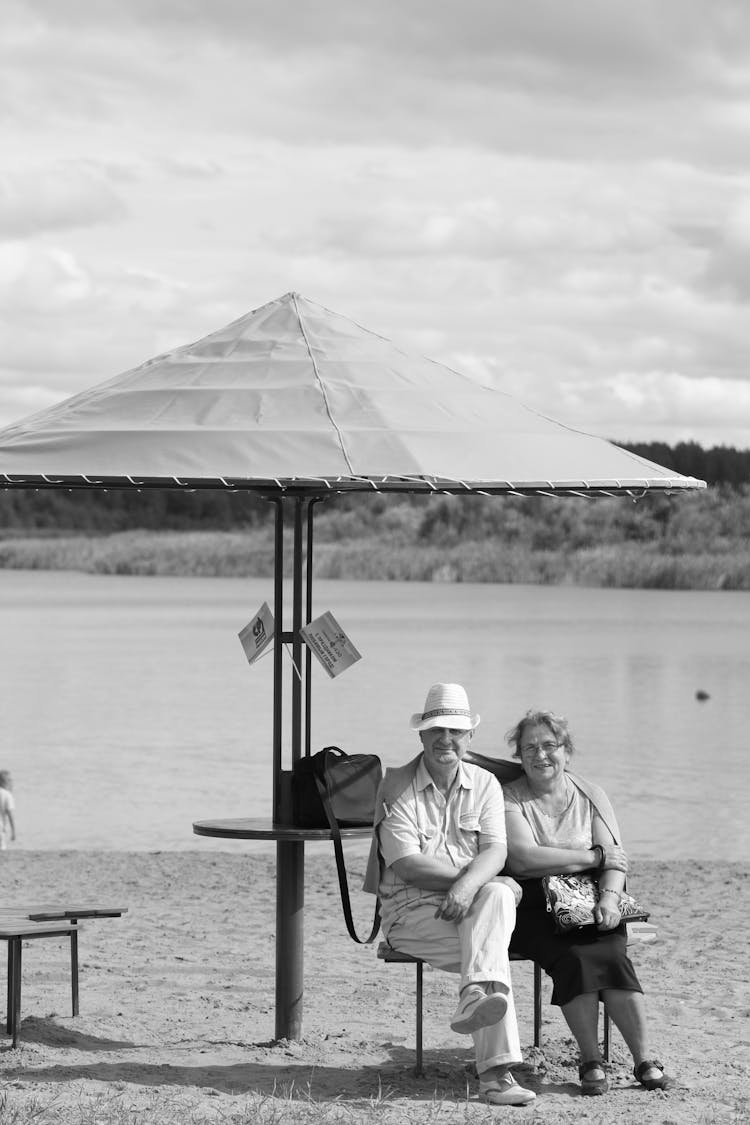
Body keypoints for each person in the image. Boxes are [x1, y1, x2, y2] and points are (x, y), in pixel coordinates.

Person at [364, 683, 536, 1107]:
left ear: (470, 738)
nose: (447, 739)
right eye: (438, 729)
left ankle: (473, 1001)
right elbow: (407, 864)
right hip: (411, 914)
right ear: (421, 735)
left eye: (456, 731)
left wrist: (468, 886)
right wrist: (471, 880)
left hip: (472, 908)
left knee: (493, 903)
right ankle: (496, 1077)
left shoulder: (486, 783)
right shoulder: (395, 786)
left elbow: (496, 849)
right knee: (492, 926)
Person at [502, 709, 673, 1095]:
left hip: (591, 900)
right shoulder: (509, 797)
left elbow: (617, 858)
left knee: (612, 954)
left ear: (567, 751)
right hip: (534, 905)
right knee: (576, 958)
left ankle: (643, 1059)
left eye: (550, 745)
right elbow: (523, 858)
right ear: (519, 755)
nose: (540, 755)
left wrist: (611, 898)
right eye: (530, 748)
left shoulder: (591, 795)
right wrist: (592, 858)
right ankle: (591, 1059)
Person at [0, 770, 16, 850]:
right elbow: (10, 815)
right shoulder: (7, 795)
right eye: (10, 781)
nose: (12, 784)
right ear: (4, 782)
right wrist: (13, 831)